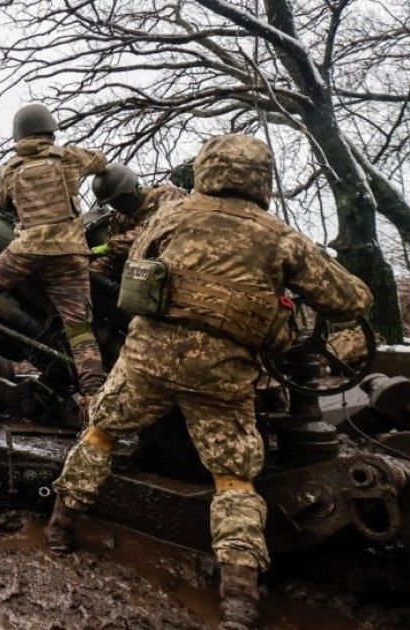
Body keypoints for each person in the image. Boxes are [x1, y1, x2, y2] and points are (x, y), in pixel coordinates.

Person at [45, 134, 373, 630]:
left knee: (100, 436)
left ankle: (60, 529)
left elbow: (139, 265)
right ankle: (239, 599)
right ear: (260, 179)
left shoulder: (171, 216)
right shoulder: (280, 236)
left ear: (208, 170)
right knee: (234, 478)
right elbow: (352, 300)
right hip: (218, 377)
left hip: (147, 362)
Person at [0, 104, 108, 401]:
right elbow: (100, 161)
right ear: (50, 130)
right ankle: (94, 403)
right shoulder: (69, 157)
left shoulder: (9, 169)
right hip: (69, 254)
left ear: (19, 135)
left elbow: (4, 202)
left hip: (26, 253)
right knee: (80, 333)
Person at [88, 164, 188, 282]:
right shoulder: (122, 219)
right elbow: (117, 258)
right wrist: (94, 268)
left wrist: (109, 246)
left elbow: (148, 234)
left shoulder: (166, 196)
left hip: (177, 265)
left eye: (118, 200)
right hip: (144, 274)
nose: (116, 206)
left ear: (130, 191)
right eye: (111, 203)